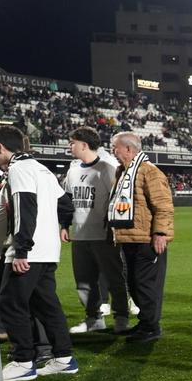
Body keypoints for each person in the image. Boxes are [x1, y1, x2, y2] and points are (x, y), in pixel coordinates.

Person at [0, 125, 78, 381]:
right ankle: (64, 358)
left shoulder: (19, 169)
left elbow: (25, 208)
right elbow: (66, 205)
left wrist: (21, 250)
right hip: (47, 250)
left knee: (10, 302)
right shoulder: (40, 168)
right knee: (45, 305)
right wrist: (56, 228)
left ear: (0, 147)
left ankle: (22, 360)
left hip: (28, 252)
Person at [61, 126, 130, 333]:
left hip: (103, 235)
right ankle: (94, 319)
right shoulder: (72, 171)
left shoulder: (107, 168)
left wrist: (113, 229)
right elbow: (68, 201)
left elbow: (118, 201)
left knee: (114, 278)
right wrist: (65, 225)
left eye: (72, 143)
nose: (70, 146)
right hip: (79, 235)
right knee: (84, 282)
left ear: (84, 145)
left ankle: (121, 318)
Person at [109, 132, 174, 342]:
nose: (112, 151)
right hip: (128, 238)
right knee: (134, 284)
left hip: (146, 240)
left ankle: (151, 328)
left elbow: (163, 205)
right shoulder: (123, 172)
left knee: (146, 285)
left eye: (115, 147)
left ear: (128, 149)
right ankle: (145, 323)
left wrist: (160, 233)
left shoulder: (149, 171)